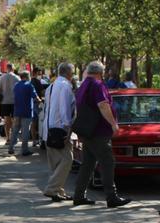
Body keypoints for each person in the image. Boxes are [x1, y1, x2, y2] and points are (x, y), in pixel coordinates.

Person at [72, 61, 131, 208]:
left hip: (87, 131)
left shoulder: (84, 85)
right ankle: (111, 197)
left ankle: (79, 195)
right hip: (98, 131)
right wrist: (113, 123)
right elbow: (103, 105)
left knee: (88, 164)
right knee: (107, 162)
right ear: (101, 72)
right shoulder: (97, 85)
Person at [42, 62, 76, 201]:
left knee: (56, 163)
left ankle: (58, 191)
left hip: (48, 129)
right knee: (68, 159)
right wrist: (68, 127)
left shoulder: (52, 85)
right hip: (59, 128)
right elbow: (64, 108)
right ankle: (52, 189)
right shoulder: (65, 86)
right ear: (69, 73)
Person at [8, 71, 36, 156]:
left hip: (17, 111)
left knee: (15, 130)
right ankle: (24, 150)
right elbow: (35, 96)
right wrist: (39, 100)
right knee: (25, 131)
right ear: (27, 76)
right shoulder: (29, 85)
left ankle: (11, 148)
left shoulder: (16, 85)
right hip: (26, 111)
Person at [0, 65, 19, 142]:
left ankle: (8, 138)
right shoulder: (17, 78)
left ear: (7, 68)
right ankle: (14, 137)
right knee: (14, 120)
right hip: (14, 101)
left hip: (4, 101)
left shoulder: (2, 77)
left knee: (6, 120)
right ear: (13, 68)